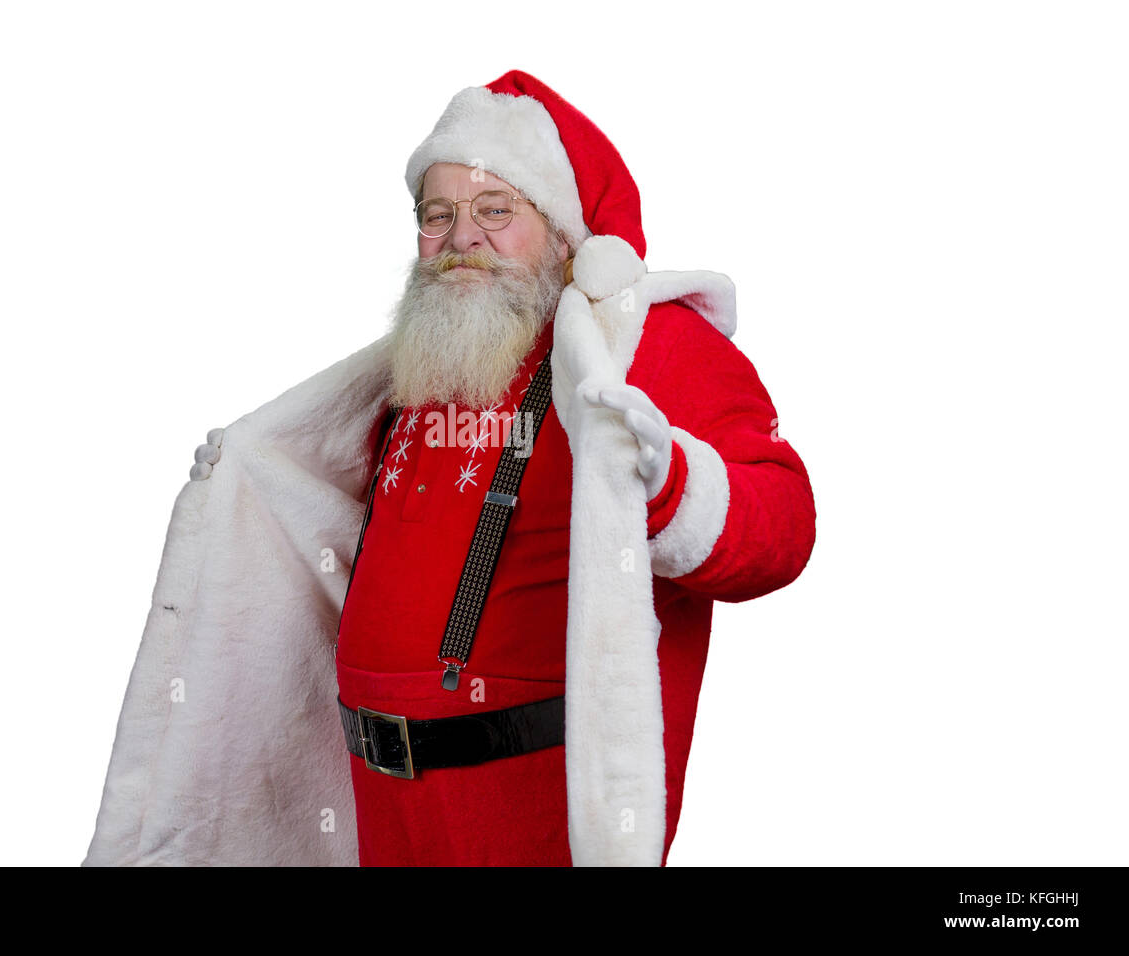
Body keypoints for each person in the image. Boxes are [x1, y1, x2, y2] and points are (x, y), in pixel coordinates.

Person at [82, 70, 816, 867]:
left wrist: (670, 480)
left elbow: (784, 524)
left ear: (565, 236)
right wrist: (247, 477)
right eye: (438, 216)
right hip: (376, 802)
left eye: (495, 211)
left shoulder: (643, 347)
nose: (461, 237)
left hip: (524, 808)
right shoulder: (424, 366)